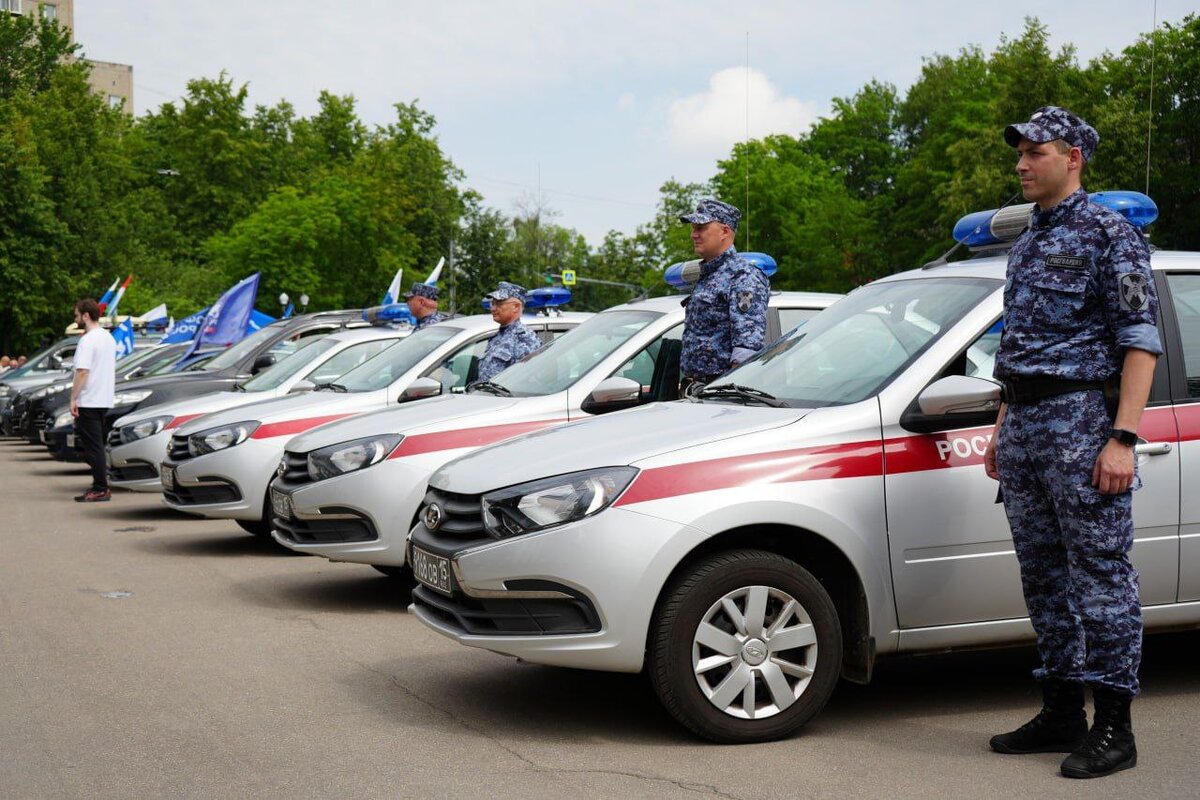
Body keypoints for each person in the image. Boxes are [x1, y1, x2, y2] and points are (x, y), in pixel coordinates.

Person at [982, 107, 1161, 779]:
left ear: (1073, 159)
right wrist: (1002, 424)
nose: (1023, 163)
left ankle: (1116, 728)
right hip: (1026, 425)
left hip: (1081, 422)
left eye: (1036, 152)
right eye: (1021, 153)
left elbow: (1139, 342)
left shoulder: (1109, 234)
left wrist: (1122, 438)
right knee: (1044, 577)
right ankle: (1061, 710)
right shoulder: (1026, 242)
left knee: (1101, 578)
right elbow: (1017, 346)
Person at [677, 198, 769, 395]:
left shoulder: (743, 276)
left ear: (725, 232)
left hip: (720, 393)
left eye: (701, 228)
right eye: (693, 228)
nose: (694, 234)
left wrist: (728, 396)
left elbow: (746, 350)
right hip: (698, 390)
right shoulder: (709, 274)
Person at [70, 298, 118, 502]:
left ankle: (100, 487)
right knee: (98, 445)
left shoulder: (88, 340)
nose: (76, 318)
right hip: (104, 398)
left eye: (77, 315)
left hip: (89, 399)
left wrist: (73, 398)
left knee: (93, 447)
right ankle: (100, 484)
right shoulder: (108, 338)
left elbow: (82, 372)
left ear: (86, 316)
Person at [476, 282, 541, 383]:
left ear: (515, 307)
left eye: (499, 304)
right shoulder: (497, 337)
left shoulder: (525, 339)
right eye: (492, 304)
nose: (493, 309)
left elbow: (527, 382)